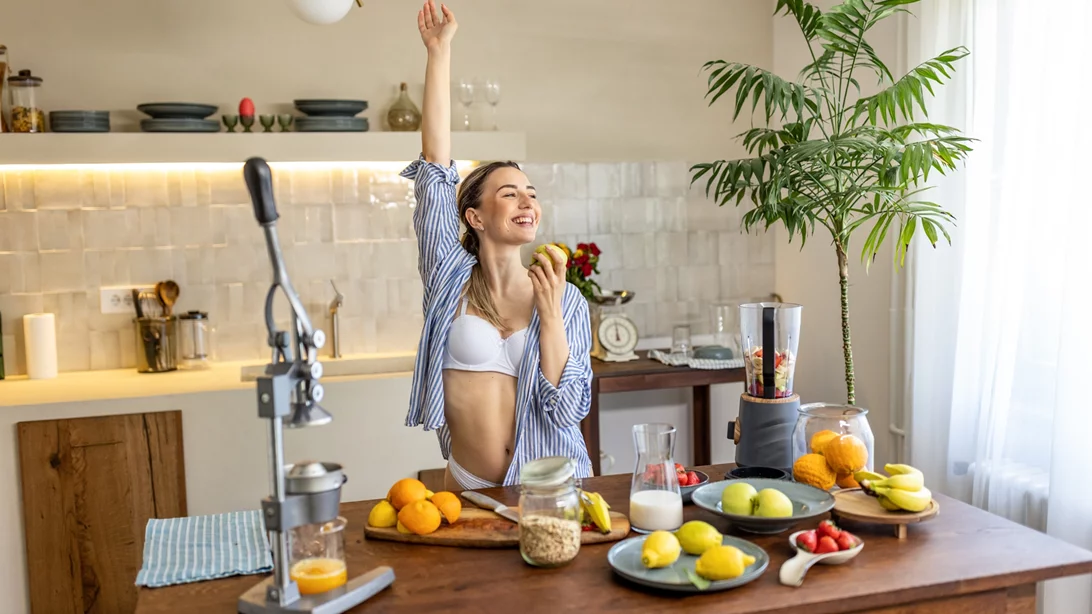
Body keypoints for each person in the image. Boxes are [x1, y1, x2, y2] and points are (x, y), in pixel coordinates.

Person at [399, 0, 594, 491]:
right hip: (468, 488)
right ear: (475, 216)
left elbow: (567, 410)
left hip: (555, 490)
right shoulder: (449, 277)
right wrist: (439, 52)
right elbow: (436, 169)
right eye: (509, 193)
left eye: (532, 193)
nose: (527, 201)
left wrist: (550, 315)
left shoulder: (564, 297)